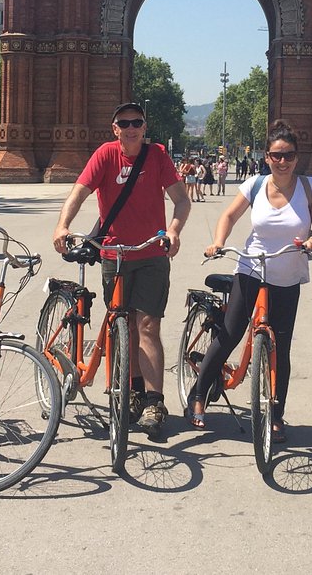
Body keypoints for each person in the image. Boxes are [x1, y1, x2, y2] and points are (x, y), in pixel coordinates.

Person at [52, 102, 191, 439]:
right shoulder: (104, 154)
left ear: (145, 127)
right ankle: (132, 390)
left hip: (149, 253)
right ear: (115, 128)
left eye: (137, 123)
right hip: (112, 255)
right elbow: (80, 191)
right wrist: (62, 225)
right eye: (124, 123)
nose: (131, 128)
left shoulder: (157, 155)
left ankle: (155, 401)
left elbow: (181, 200)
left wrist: (173, 231)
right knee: (123, 325)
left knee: (148, 325)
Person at [190, 121, 312, 440]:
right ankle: (198, 395)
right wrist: (218, 241)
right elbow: (228, 216)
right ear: (267, 157)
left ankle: (276, 414)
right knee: (231, 333)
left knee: (281, 347)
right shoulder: (254, 184)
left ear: (297, 157)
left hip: (288, 272)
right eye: (277, 155)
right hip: (251, 267)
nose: (283, 161)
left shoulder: (309, 187)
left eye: (289, 155)